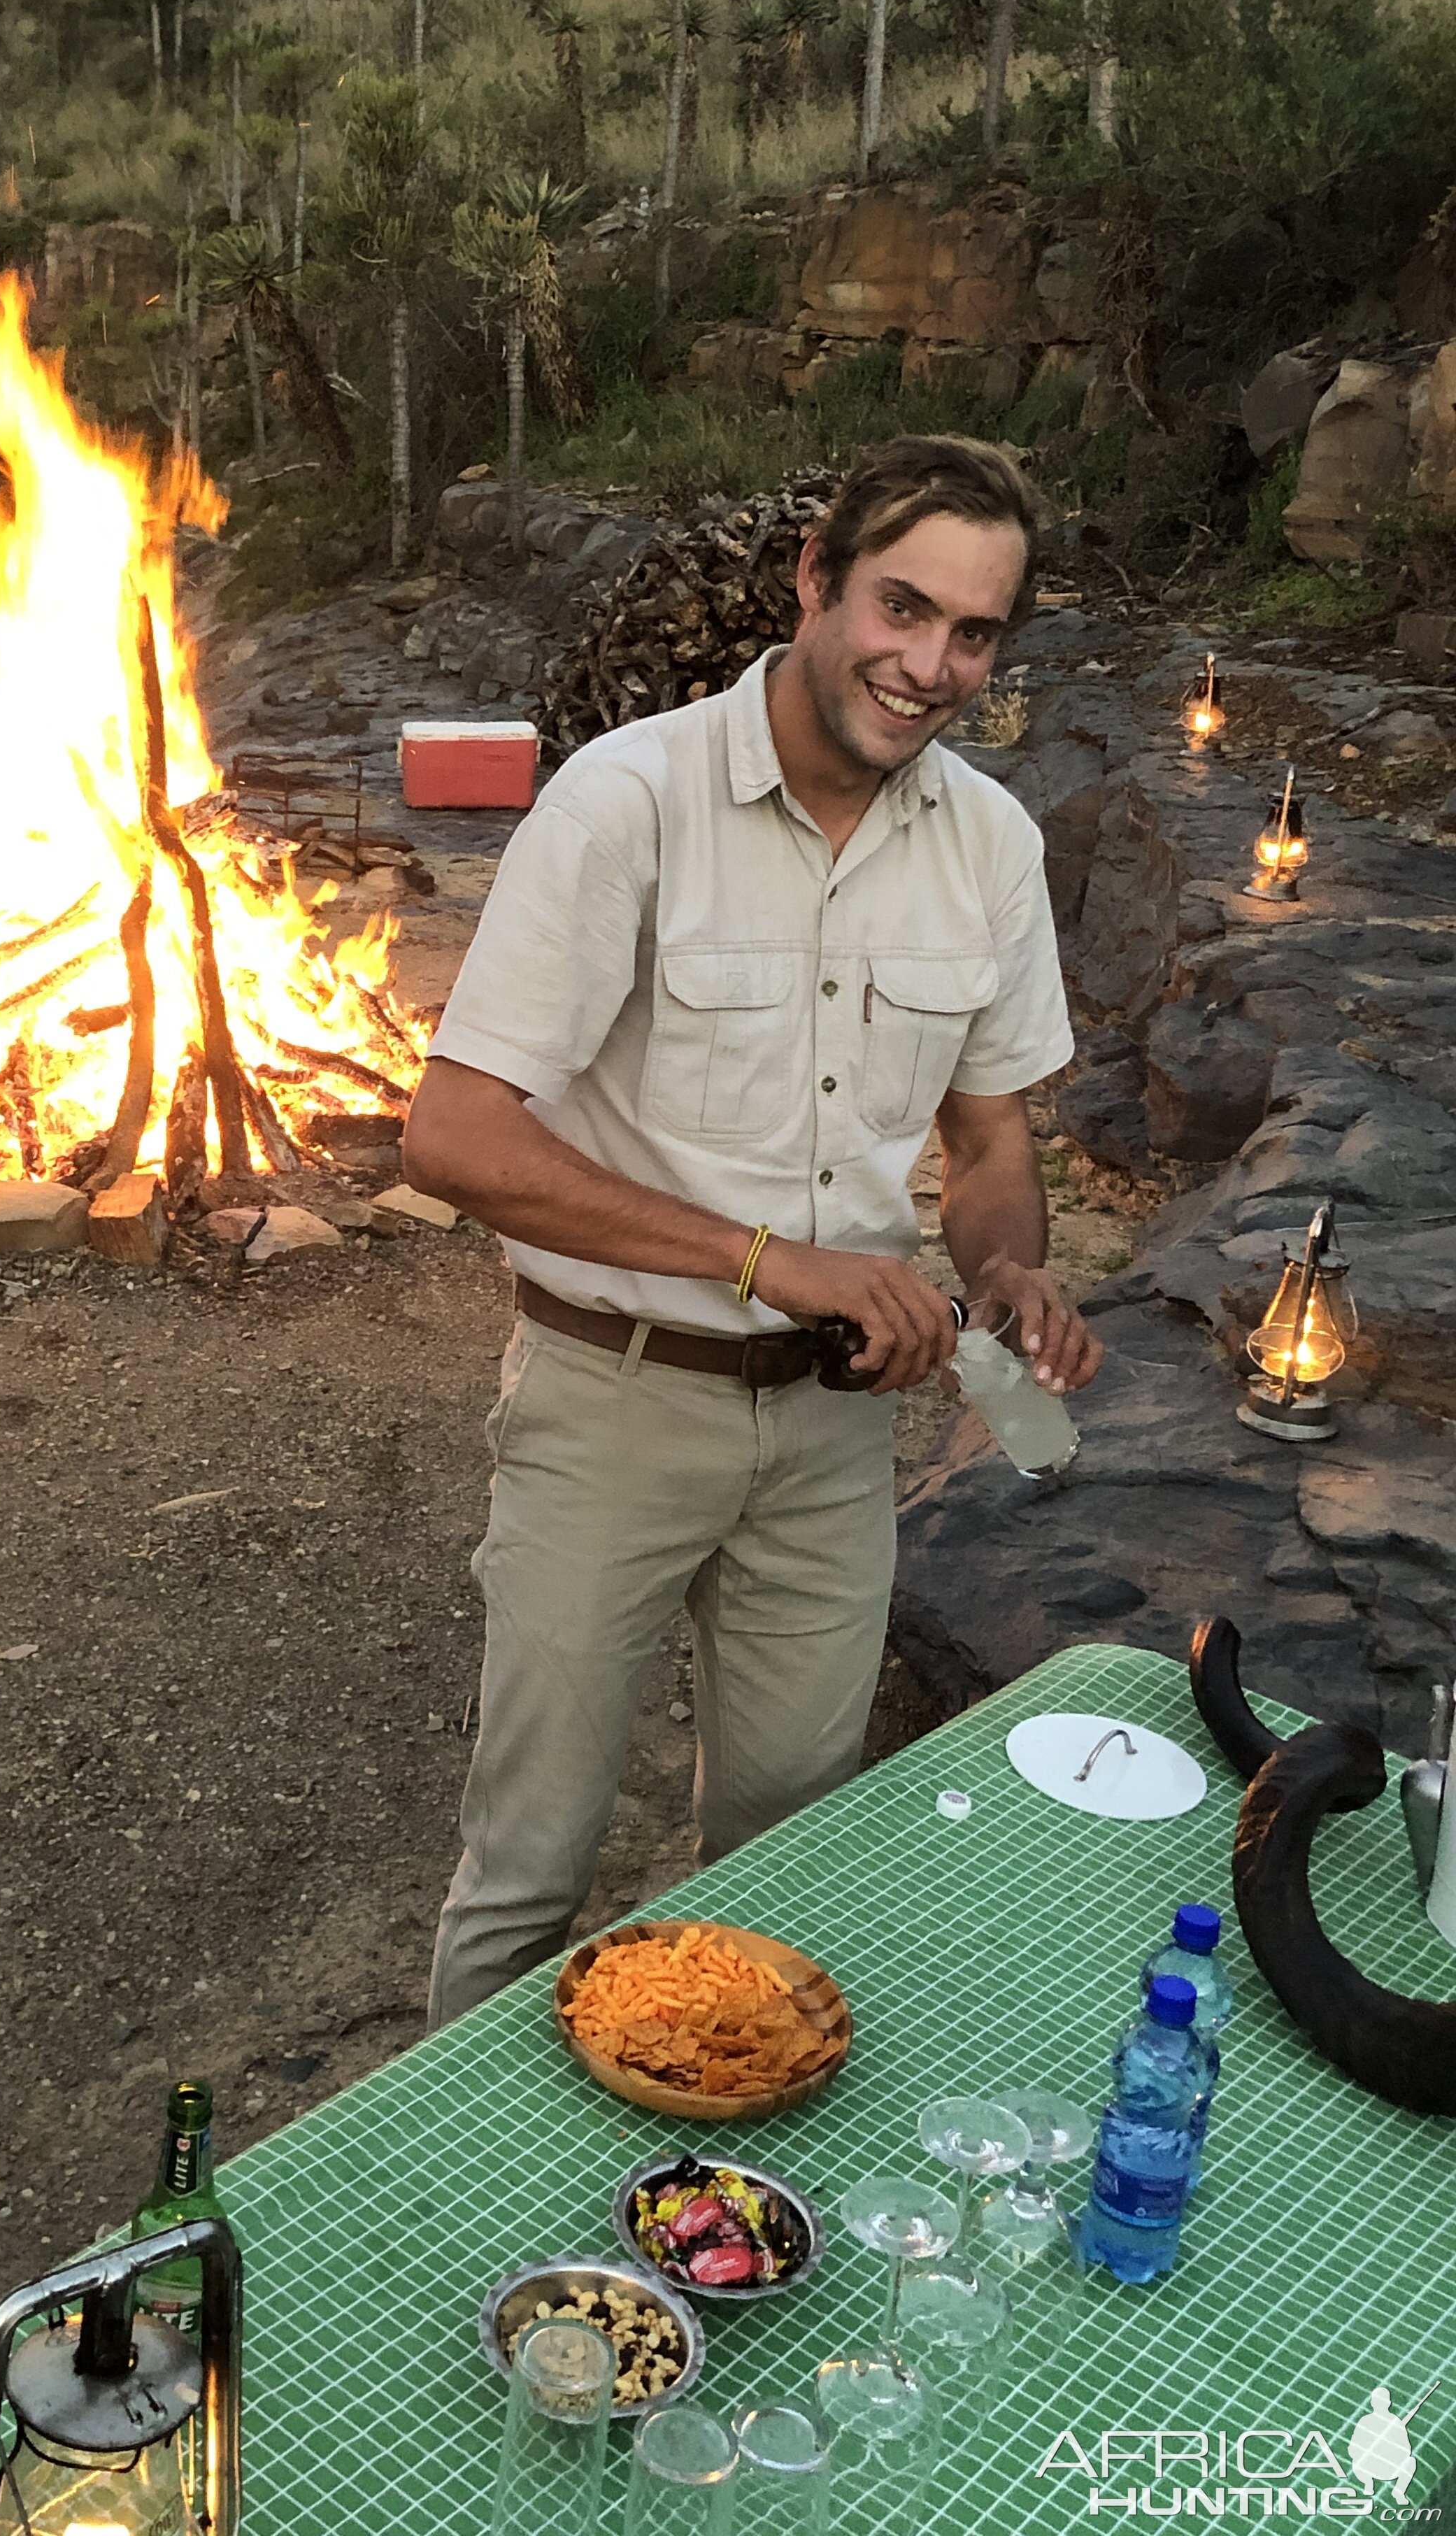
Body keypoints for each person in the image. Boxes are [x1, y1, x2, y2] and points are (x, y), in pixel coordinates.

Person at [404, 434, 1106, 2027]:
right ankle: (448, 2232)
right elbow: (452, 1134)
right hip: (616, 1398)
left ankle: (700, 2207)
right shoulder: (629, 803)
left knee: (792, 1863)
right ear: (816, 583)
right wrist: (761, 1257)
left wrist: (1007, 1273)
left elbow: (989, 1135)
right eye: (901, 608)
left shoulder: (990, 844)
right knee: (531, 1872)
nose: (928, 667)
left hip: (836, 1430)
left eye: (975, 634)